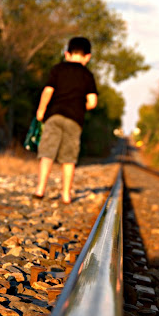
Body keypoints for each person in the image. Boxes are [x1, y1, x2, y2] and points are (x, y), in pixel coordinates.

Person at [33, 36, 98, 204]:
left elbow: (48, 91)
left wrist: (41, 110)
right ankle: (66, 195)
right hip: (74, 119)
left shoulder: (58, 69)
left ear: (67, 54)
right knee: (69, 158)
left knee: (47, 153)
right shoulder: (87, 75)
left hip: (54, 115)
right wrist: (80, 107)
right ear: (88, 57)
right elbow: (92, 102)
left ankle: (40, 189)